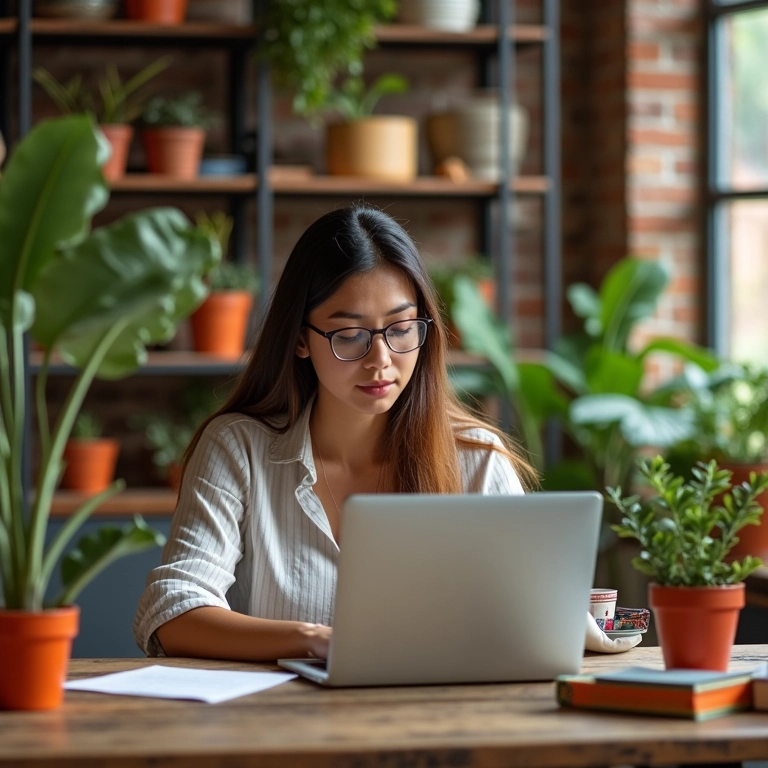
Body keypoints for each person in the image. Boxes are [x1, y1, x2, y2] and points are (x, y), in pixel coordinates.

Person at [133, 203, 539, 662]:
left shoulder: (478, 460)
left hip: (434, 721)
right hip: (273, 725)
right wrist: (314, 640)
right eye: (349, 335)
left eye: (402, 328)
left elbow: (529, 615)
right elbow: (173, 609)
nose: (381, 359)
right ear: (301, 339)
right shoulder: (238, 449)